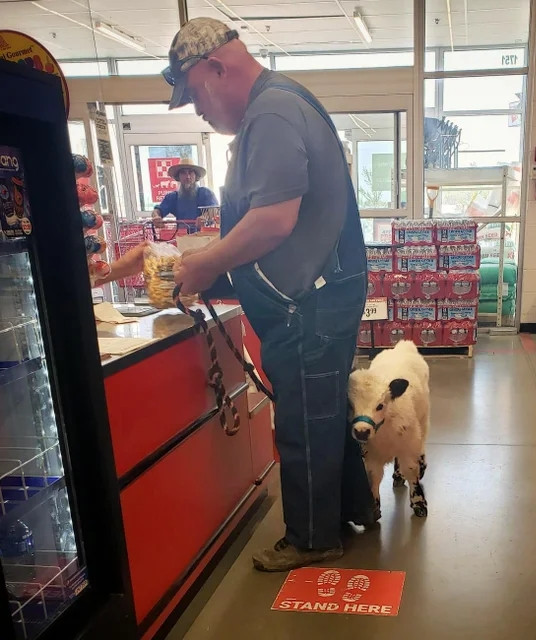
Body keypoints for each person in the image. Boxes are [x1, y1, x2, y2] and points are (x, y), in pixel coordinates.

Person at [161, 17, 377, 572]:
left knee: (303, 422)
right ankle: (353, 509)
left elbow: (274, 222)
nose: (199, 110)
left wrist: (207, 263)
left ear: (216, 69)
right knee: (324, 410)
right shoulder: (281, 103)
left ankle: (312, 540)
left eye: (196, 96)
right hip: (320, 294)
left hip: (309, 303)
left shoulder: (272, 113)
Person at [151, 158, 218, 227]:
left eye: (190, 172)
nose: (188, 177)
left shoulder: (205, 193)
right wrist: (156, 217)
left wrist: (205, 217)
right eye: (183, 173)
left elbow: (214, 209)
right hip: (181, 235)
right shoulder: (172, 197)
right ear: (178, 177)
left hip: (206, 235)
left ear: (196, 176)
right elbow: (157, 210)